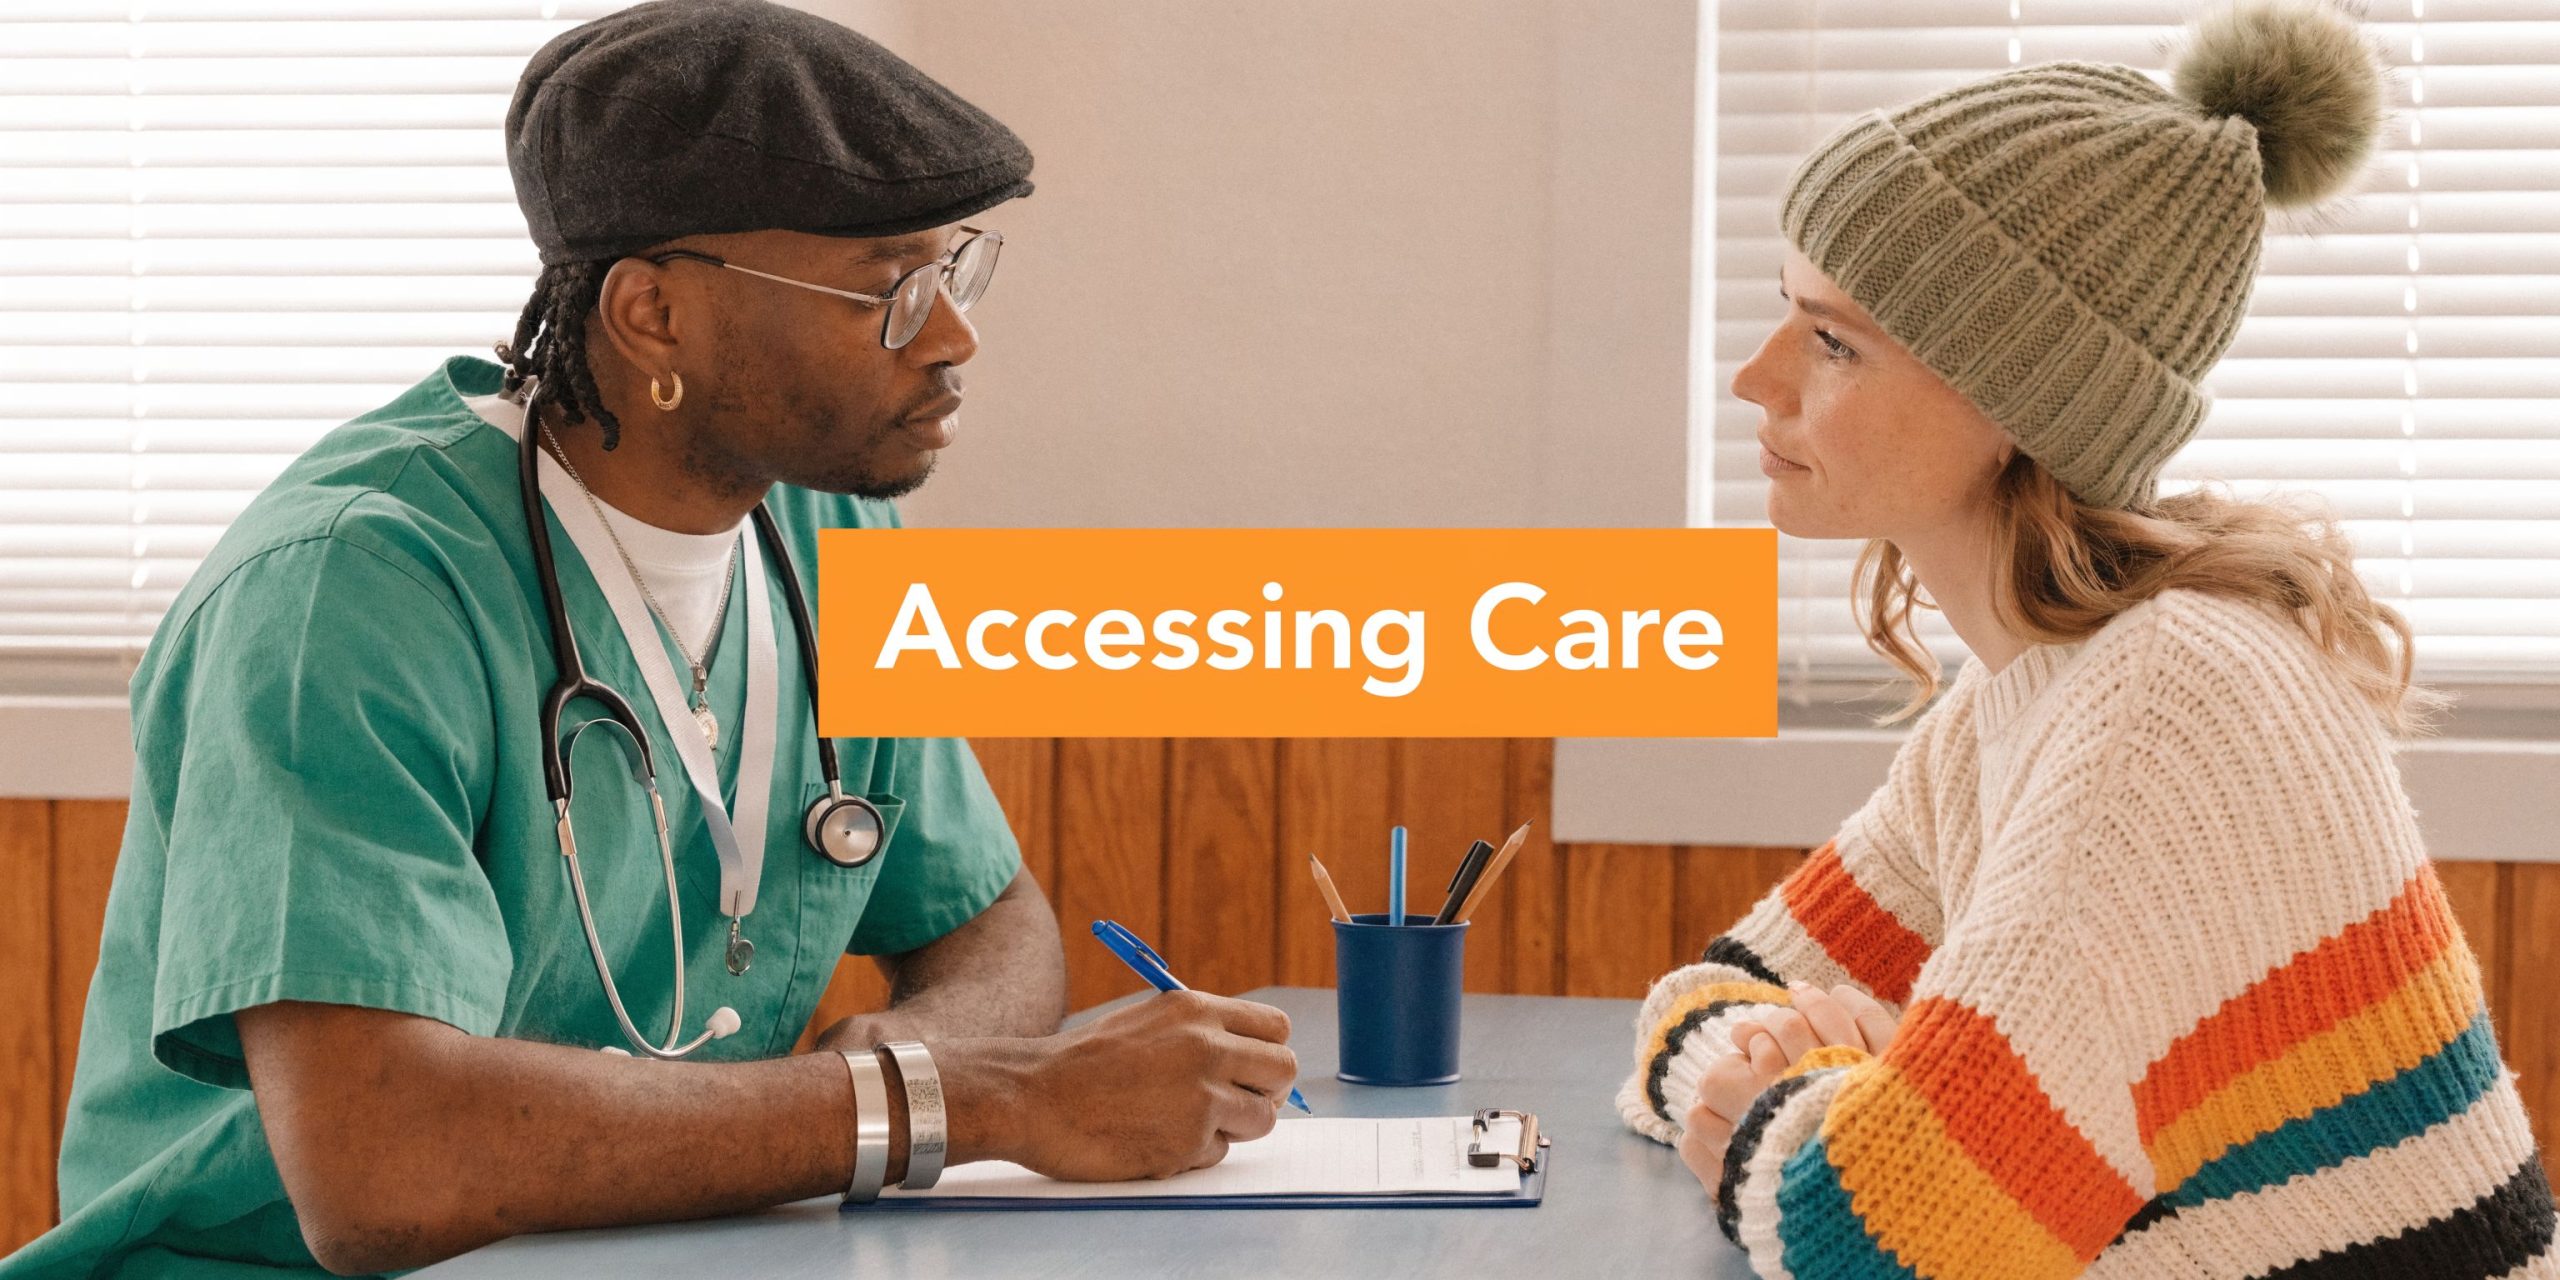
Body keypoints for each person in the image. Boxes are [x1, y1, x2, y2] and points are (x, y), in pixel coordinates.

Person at [7, 4, 1295, 1276]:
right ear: (653, 317)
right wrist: (958, 1099)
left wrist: (900, 1074)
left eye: (948, 270)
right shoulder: (342, 599)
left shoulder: (820, 527)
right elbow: (381, 1165)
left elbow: (988, 923)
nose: (953, 336)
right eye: (883, 289)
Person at [1616, 2, 2558, 1275]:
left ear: (2019, 403)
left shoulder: (2167, 709)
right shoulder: (2019, 702)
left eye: (1834, 340)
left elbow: (1870, 1235)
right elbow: (1705, 996)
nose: (1757, 376)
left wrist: (1812, 1101)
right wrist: (1831, 1089)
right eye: (1786, 309)